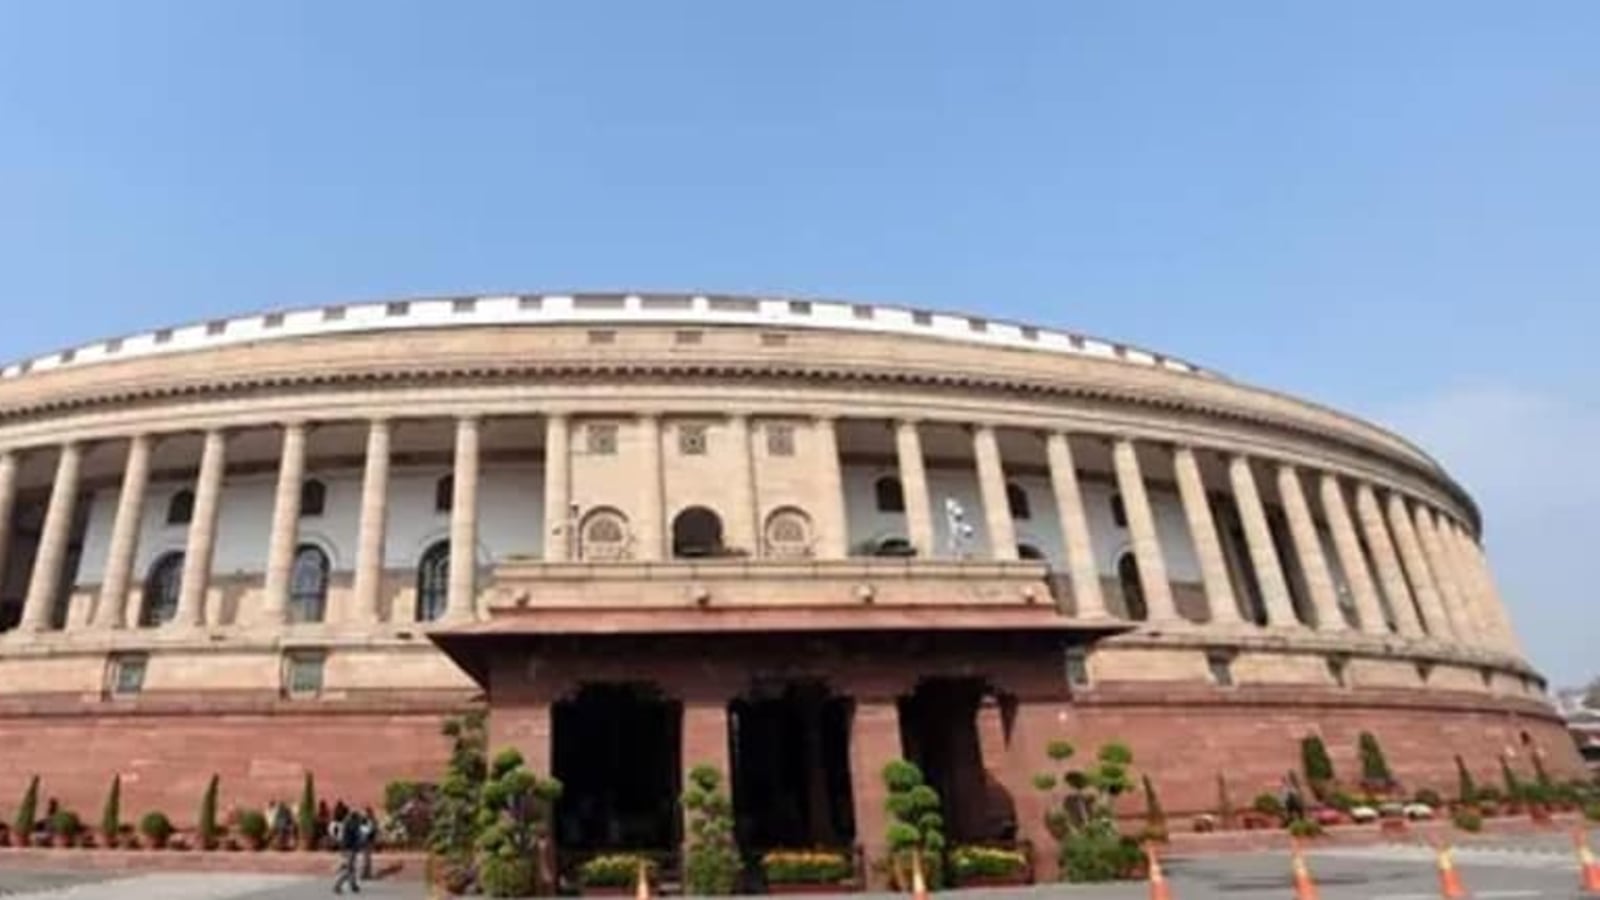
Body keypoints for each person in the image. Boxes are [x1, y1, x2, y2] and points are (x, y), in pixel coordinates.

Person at [332, 809, 363, 895]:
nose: (359, 820)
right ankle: (337, 885)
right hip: (350, 849)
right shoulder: (351, 825)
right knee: (349, 869)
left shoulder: (346, 823)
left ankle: (353, 885)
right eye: (358, 818)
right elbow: (357, 836)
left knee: (352, 868)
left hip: (347, 849)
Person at [358, 806, 377, 880]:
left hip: (368, 840)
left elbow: (373, 829)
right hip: (365, 840)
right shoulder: (364, 820)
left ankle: (366, 873)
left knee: (367, 858)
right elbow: (361, 829)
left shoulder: (372, 820)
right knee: (365, 857)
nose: (364, 814)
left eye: (366, 813)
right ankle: (365, 873)